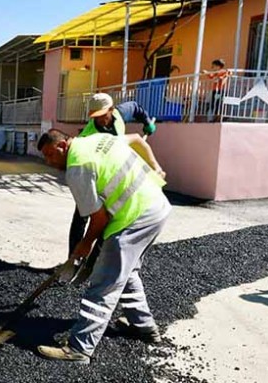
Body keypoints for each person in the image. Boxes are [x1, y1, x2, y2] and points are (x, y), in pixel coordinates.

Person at [36, 129, 171, 364]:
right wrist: (155, 166)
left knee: (104, 283)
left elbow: (99, 219)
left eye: (49, 155)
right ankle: (144, 327)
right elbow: (137, 139)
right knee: (127, 273)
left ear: (61, 147)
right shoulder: (99, 139)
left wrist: (85, 245)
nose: (48, 162)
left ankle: (80, 348)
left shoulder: (77, 168)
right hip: (157, 207)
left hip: (133, 218)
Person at [66, 93, 155, 258]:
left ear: (112, 110)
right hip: (93, 178)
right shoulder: (88, 134)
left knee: (109, 219)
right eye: (95, 117)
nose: (99, 120)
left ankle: (97, 259)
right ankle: (73, 256)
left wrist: (147, 121)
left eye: (102, 115)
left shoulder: (120, 113)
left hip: (114, 179)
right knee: (82, 215)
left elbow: (136, 107)